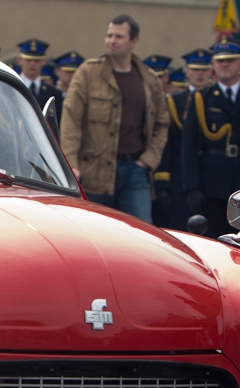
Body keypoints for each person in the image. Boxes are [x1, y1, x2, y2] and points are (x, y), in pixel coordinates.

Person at [60, 14, 169, 223]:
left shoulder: (149, 79)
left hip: (135, 171)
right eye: (109, 35)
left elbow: (161, 123)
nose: (112, 40)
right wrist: (72, 164)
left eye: (119, 36)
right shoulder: (88, 73)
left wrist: (148, 161)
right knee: (93, 231)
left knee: (142, 233)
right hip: (94, 171)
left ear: (133, 41)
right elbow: (71, 121)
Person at [181, 38, 240, 238]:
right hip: (212, 185)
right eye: (220, 60)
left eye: (231, 60)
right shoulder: (201, 98)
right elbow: (189, 147)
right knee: (215, 241)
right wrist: (192, 188)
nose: (225, 65)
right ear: (213, 63)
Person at [153, 48, 213, 231]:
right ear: (186, 71)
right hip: (179, 177)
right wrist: (162, 182)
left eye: (204, 69)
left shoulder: (214, 98)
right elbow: (167, 144)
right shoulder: (174, 101)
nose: (199, 74)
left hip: (212, 176)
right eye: (195, 69)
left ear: (212, 71)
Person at [16, 39, 64, 137]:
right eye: (28, 60)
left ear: (44, 61)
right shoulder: (12, 89)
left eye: (37, 60)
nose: (32, 64)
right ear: (20, 60)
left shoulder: (55, 94)